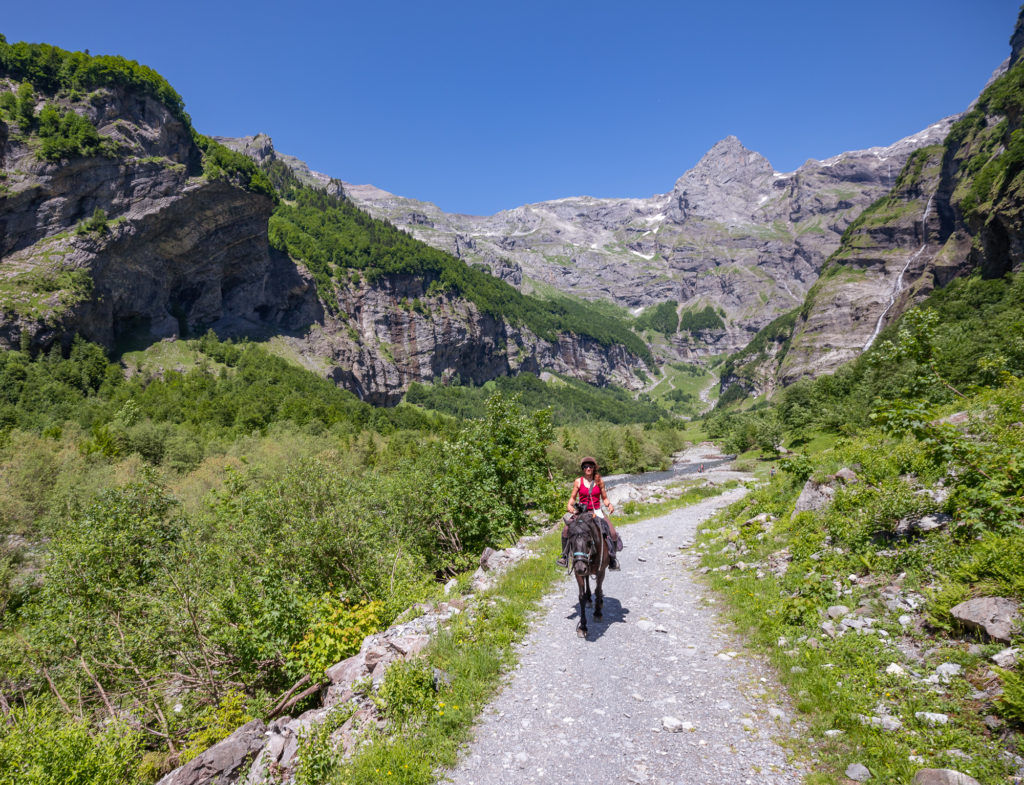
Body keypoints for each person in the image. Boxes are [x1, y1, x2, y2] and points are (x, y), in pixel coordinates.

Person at [558, 456, 620, 570]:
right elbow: (572, 498)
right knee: (566, 530)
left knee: (613, 532)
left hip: (596, 511)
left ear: (594, 468)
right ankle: (565, 557)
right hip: (582, 511)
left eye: (590, 466)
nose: (588, 468)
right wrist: (569, 505)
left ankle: (612, 559)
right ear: (583, 468)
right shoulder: (578, 481)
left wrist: (609, 505)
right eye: (585, 466)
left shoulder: (599, 481)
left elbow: (604, 498)